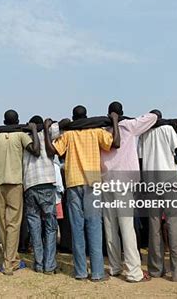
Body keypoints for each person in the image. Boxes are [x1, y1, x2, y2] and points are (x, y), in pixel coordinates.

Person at [44, 105, 120, 282]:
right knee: (94, 225)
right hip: (93, 179)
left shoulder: (68, 135)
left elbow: (51, 151)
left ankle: (80, 272)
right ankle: (98, 272)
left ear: (73, 117)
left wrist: (48, 132)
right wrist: (115, 121)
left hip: (73, 180)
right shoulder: (96, 131)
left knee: (77, 228)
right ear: (87, 117)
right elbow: (116, 143)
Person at [100, 101, 157, 282]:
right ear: (121, 113)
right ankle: (133, 272)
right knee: (127, 228)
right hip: (123, 183)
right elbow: (154, 115)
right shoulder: (128, 126)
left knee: (110, 228)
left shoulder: (101, 131)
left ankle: (115, 267)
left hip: (106, 182)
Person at [0, 109, 40, 275]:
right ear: (17, 121)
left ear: (4, 121)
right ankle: (9, 262)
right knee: (13, 223)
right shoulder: (21, 136)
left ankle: (11, 258)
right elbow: (36, 150)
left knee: (1, 223)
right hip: (15, 182)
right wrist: (34, 130)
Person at [138, 110, 177, 282]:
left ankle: (155, 269)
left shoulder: (143, 134)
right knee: (173, 223)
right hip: (168, 178)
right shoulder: (168, 129)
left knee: (154, 226)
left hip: (150, 180)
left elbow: (140, 161)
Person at [23, 115, 60, 274]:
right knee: (50, 227)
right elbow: (65, 123)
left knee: (35, 227)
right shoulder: (49, 132)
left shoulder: (24, 137)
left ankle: (38, 264)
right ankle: (49, 265)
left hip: (30, 185)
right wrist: (48, 125)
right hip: (46, 183)